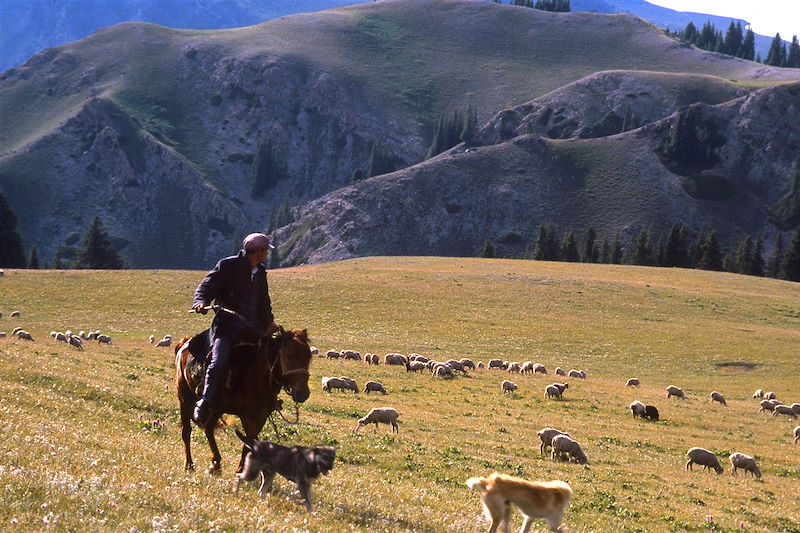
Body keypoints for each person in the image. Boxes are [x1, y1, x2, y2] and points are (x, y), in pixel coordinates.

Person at [191, 233, 279, 426]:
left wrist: (269, 322)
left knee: (274, 357)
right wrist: (200, 302)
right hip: (227, 328)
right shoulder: (227, 266)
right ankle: (205, 402)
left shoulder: (261, 272)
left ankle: (268, 400)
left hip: (253, 330)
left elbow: (263, 303)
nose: (267, 255)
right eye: (266, 251)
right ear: (258, 252)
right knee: (219, 361)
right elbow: (205, 287)